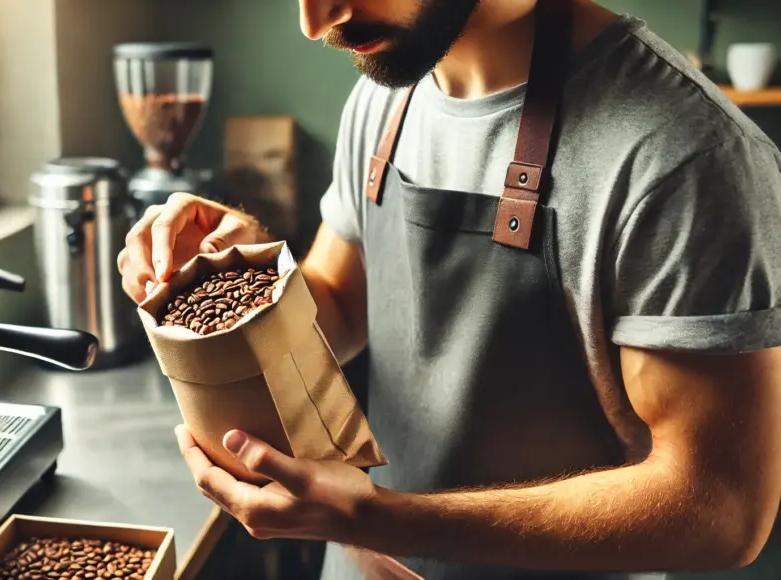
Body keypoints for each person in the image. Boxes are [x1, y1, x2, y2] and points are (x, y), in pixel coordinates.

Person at [117, 0, 781, 578]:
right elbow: (343, 304)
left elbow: (719, 510)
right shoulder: (386, 90)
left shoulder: (684, 156)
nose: (314, 20)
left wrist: (379, 519)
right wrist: (248, 272)